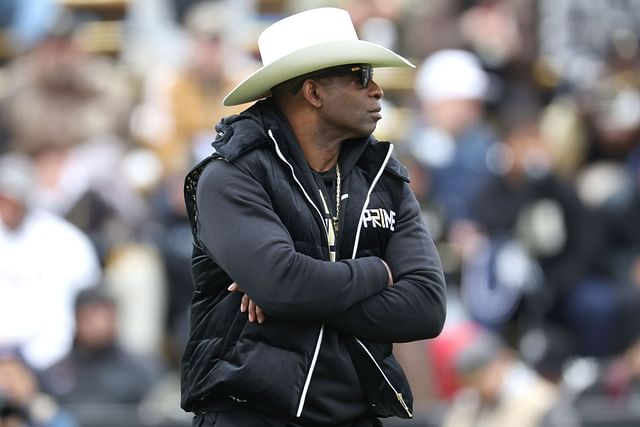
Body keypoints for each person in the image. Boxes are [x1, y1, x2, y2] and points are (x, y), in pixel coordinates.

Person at [180, 7, 446, 427]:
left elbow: (427, 308)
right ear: (313, 92)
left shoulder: (384, 178)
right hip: (250, 414)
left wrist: (297, 295)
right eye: (360, 76)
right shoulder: (230, 175)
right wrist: (377, 272)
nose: (376, 90)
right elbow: (282, 284)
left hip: (355, 414)